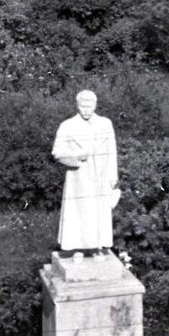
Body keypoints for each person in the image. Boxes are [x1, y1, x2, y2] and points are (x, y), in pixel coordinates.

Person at [52, 90, 119, 253]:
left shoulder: (105, 124)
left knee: (99, 213)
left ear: (95, 105)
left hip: (101, 176)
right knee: (79, 212)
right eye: (83, 106)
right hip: (79, 177)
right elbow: (57, 152)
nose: (86, 110)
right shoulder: (67, 126)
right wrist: (76, 156)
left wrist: (112, 177)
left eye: (90, 106)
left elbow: (112, 151)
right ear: (77, 105)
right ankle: (77, 249)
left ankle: (98, 247)